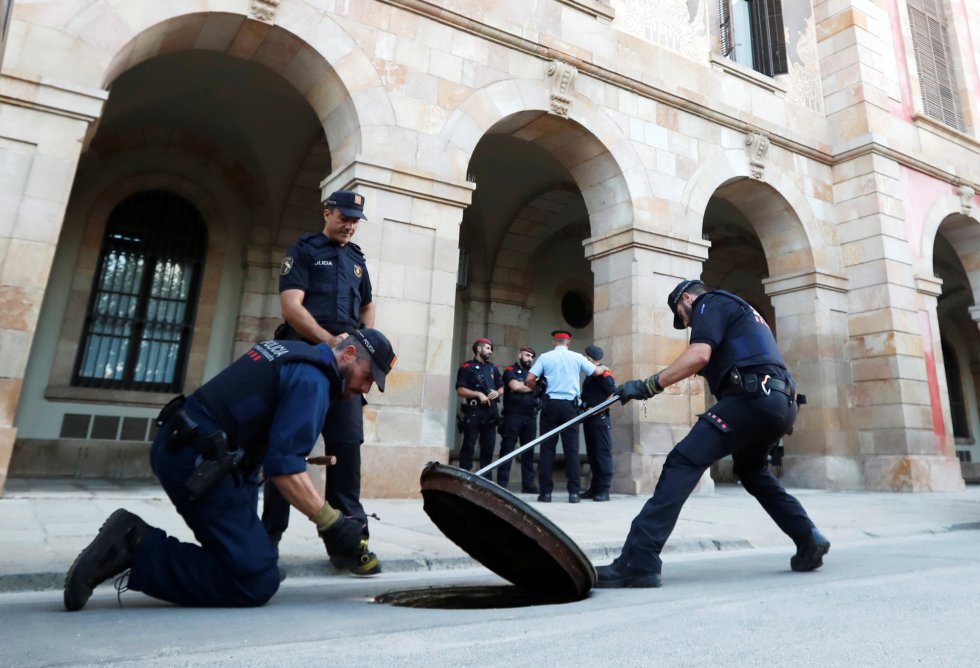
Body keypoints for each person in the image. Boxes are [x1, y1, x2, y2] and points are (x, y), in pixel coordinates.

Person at [63, 329, 398, 610]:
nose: (365, 388)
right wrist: (332, 524)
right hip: (199, 466)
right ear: (348, 354)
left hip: (188, 446)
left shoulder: (289, 351)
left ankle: (244, 560)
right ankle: (135, 544)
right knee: (256, 582)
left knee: (256, 557)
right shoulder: (312, 381)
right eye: (368, 376)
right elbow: (285, 470)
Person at [596, 279, 830, 588]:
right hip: (780, 403)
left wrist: (648, 385)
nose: (687, 324)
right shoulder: (744, 314)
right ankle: (808, 537)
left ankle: (639, 562)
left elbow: (699, 355)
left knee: (682, 461)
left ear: (687, 298)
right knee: (752, 471)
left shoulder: (710, 303)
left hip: (751, 398)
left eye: (683, 316)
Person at [263, 189, 378, 573]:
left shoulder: (357, 260)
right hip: (305, 360)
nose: (349, 226)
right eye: (344, 217)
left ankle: (350, 542)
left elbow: (367, 305)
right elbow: (291, 306)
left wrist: (361, 342)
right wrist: (329, 341)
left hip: (344, 371)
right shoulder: (304, 251)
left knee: (347, 449)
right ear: (327, 213)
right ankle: (267, 540)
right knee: (287, 448)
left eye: (355, 221)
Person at [525, 330, 609, 503]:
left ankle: (545, 493)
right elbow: (595, 372)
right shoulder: (577, 357)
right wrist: (603, 368)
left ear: (553, 341)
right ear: (568, 343)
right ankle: (574, 493)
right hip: (570, 407)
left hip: (550, 405)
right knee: (572, 450)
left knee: (547, 449)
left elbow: (529, 379)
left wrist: (538, 389)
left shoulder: (545, 357)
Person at [455, 338, 503, 474]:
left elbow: (501, 387)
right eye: (488, 348)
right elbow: (460, 390)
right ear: (479, 349)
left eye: (491, 349)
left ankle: (486, 477)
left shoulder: (492, 368)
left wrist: (497, 393)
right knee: (469, 445)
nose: (490, 351)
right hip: (474, 410)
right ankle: (464, 475)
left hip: (490, 412)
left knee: (488, 446)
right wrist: (478, 394)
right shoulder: (467, 367)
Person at [498, 346, 540, 492]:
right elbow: (515, 386)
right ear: (519, 355)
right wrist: (534, 387)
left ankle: (528, 485)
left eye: (532, 357)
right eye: (527, 355)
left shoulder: (533, 373)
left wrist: (528, 386)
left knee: (528, 451)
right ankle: (502, 484)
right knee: (507, 449)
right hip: (513, 415)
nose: (530, 359)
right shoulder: (510, 370)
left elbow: (540, 389)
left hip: (530, 416)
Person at [580, 345, 616, 502]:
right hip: (589, 418)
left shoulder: (605, 374)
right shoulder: (591, 374)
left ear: (588, 357)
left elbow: (613, 395)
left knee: (602, 453)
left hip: (599, 418)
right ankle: (594, 488)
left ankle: (604, 490)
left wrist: (597, 410)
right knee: (592, 454)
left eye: (585, 356)